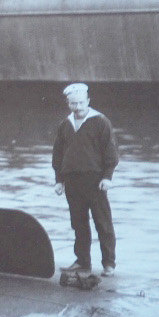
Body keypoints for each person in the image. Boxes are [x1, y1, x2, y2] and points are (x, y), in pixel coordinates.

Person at [52, 82, 119, 277]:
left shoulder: (101, 122)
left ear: (88, 101)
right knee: (78, 223)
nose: (78, 107)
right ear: (68, 103)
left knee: (103, 223)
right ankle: (83, 262)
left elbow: (111, 152)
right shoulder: (65, 125)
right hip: (72, 181)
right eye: (73, 103)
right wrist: (59, 180)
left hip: (95, 181)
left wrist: (107, 177)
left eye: (81, 103)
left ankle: (108, 263)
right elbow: (58, 154)